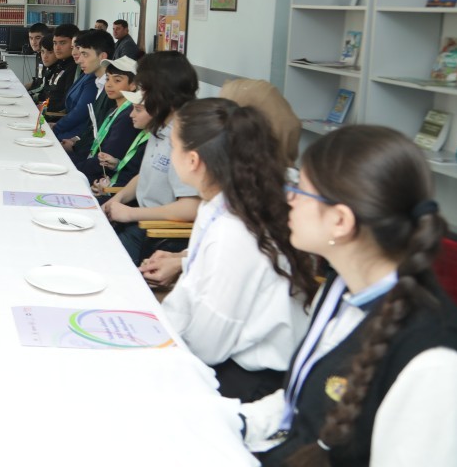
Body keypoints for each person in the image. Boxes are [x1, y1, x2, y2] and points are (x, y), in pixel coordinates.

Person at [234, 126, 457, 465]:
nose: (289, 199)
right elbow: (302, 402)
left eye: (300, 190)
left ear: (340, 221)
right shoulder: (342, 291)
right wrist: (234, 422)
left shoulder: (439, 369)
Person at [160, 98, 317, 402]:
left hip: (248, 379)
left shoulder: (234, 231)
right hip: (220, 353)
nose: (170, 153)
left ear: (193, 160)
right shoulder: (226, 200)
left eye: (173, 146)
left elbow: (209, 344)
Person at [142, 77, 302, 290]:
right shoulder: (236, 186)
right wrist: (179, 259)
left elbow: (233, 263)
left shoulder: (273, 199)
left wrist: (182, 263)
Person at [102, 51, 201, 265]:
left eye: (144, 90)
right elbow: (145, 175)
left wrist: (131, 214)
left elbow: (191, 207)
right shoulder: (160, 127)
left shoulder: (185, 137)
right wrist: (118, 199)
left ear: (161, 92)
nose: (141, 96)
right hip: (138, 219)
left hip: (156, 232)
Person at [76, 58, 142, 184]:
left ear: (133, 85)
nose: (109, 85)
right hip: (92, 165)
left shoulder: (128, 116)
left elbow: (106, 159)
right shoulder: (115, 109)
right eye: (107, 79)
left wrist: (76, 168)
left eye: (117, 80)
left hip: (101, 178)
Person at [52, 28, 116, 143]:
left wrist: (74, 143)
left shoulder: (110, 90)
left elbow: (94, 126)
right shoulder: (97, 82)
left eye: (85, 54)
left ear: (102, 57)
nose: (80, 60)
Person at [42, 23, 81, 116]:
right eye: (55, 43)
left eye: (63, 43)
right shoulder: (59, 63)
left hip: (55, 116)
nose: (57, 48)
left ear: (74, 43)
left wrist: (42, 109)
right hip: (47, 109)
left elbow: (66, 105)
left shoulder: (75, 67)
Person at [30, 34, 61, 104]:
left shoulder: (60, 69)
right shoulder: (49, 68)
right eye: (42, 52)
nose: (45, 56)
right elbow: (43, 88)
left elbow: (52, 97)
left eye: (50, 52)